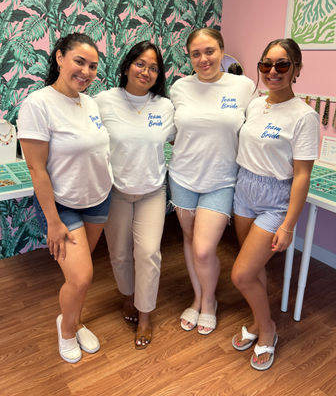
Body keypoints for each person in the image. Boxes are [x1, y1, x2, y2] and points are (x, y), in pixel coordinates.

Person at [17, 33, 113, 364]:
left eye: (93, 66)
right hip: (63, 206)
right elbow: (36, 169)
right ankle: (67, 329)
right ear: (60, 58)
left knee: (79, 279)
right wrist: (54, 222)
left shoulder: (90, 102)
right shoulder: (38, 104)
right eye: (79, 61)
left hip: (98, 199)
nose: (86, 71)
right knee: (81, 276)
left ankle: (75, 318)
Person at [231, 38, 319, 371]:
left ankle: (267, 329)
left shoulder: (304, 117)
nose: (272, 72)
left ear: (296, 69)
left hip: (274, 200)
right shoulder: (255, 104)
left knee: (241, 274)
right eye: (266, 64)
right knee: (254, 270)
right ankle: (257, 321)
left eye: (282, 65)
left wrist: (288, 225)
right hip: (244, 191)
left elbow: (301, 176)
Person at [168, 27, 256, 334]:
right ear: (189, 57)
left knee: (205, 249)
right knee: (191, 242)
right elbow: (172, 131)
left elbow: (255, 128)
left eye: (209, 51)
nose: (203, 59)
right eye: (196, 54)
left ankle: (209, 301)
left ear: (221, 50)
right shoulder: (179, 88)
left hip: (221, 179)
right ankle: (199, 298)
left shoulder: (243, 86)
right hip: (183, 176)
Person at [94, 41, 175, 349]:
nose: (146, 71)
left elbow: (179, 140)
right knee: (118, 253)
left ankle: (145, 315)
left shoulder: (164, 106)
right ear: (127, 65)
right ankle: (128, 297)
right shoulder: (104, 101)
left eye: (153, 67)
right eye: (140, 63)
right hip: (114, 191)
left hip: (152, 191)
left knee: (149, 253)